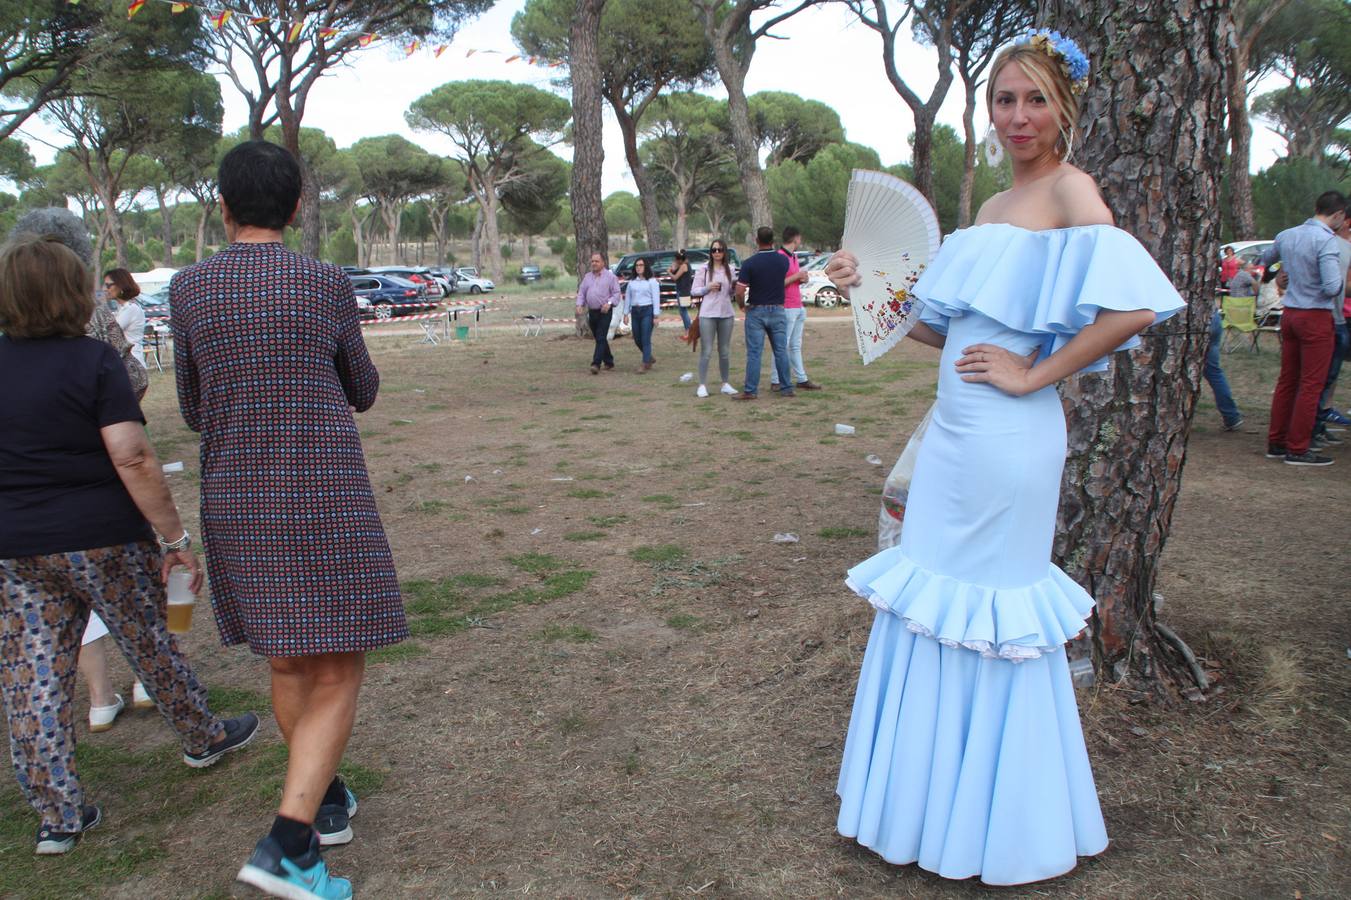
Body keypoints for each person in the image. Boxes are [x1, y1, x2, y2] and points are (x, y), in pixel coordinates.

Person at [825, 30, 1184, 885]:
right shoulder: (987, 209)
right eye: (1002, 99)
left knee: (988, 615)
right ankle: (919, 811)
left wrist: (1036, 375)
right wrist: (859, 287)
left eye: (1033, 99)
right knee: (932, 606)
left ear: (1064, 107)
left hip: (1008, 439)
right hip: (951, 436)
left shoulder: (1072, 191)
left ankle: (998, 825)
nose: (1017, 116)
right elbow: (940, 334)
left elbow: (1131, 307)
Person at [170, 140, 406, 900]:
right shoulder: (324, 281)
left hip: (236, 492)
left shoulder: (188, 289)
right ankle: (287, 845)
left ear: (224, 206)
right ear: (297, 206)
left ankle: (324, 800)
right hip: (322, 489)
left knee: (286, 660)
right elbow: (361, 388)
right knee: (336, 663)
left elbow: (191, 406)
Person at [0, 233, 260, 857]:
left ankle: (58, 815)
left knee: (30, 676)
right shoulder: (94, 362)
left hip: (15, 547)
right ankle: (201, 736)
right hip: (102, 537)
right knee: (150, 641)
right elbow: (134, 456)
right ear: (71, 294)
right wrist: (176, 538)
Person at [1260, 190, 1347, 466]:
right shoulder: (1327, 241)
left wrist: (1287, 274)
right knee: (1311, 384)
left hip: (1291, 312)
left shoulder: (1288, 235)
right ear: (1337, 215)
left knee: (1288, 379)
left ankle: (1277, 441)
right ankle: (1298, 448)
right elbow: (1333, 286)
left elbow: (1266, 258)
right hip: (1316, 315)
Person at [733, 226, 794, 399]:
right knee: (781, 351)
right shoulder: (783, 261)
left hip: (756, 310)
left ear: (757, 241)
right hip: (778, 309)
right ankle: (787, 387)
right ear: (773, 241)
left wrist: (741, 305)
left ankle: (751, 390)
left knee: (754, 353)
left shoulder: (750, 263)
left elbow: (739, 290)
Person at [770, 226, 822, 392]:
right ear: (796, 238)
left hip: (797, 305)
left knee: (795, 345)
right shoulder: (780, 257)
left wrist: (801, 279)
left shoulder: (793, 257)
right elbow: (776, 283)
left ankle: (801, 378)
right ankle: (775, 379)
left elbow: (790, 280)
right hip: (786, 306)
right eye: (799, 238)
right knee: (781, 345)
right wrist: (797, 276)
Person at [1314, 214, 1351, 431]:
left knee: (1329, 373)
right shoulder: (1334, 244)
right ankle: (1317, 422)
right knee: (1326, 373)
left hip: (1334, 315)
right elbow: (1339, 285)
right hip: (1336, 315)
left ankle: (1320, 418)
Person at [690, 240, 739, 398]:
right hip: (708, 313)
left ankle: (725, 383)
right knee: (707, 350)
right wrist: (707, 288)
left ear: (725, 252)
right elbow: (694, 291)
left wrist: (733, 289)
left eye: (720, 250)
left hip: (726, 313)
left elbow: (731, 293)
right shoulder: (703, 269)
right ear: (710, 252)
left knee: (724, 351)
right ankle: (702, 385)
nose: (717, 252)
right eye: (714, 250)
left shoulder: (730, 269)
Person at [576, 251, 621, 375]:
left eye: (597, 261)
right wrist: (580, 304)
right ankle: (609, 361)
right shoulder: (587, 277)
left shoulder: (610, 277)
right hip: (592, 312)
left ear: (603, 262)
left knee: (601, 337)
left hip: (605, 312)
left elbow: (617, 293)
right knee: (599, 338)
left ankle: (596, 364)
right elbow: (582, 292)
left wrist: (610, 303)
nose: (594, 263)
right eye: (592, 261)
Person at [623, 257, 661, 373]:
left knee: (645, 338)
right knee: (637, 338)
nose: (639, 267)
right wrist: (625, 313)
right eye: (637, 265)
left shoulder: (652, 282)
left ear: (646, 267)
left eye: (641, 265)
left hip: (647, 311)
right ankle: (648, 356)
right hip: (635, 311)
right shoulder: (631, 282)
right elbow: (628, 298)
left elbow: (656, 299)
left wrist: (656, 316)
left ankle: (645, 363)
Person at [105, 268, 146, 366]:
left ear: (120, 285)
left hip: (132, 364)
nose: (105, 289)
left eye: (108, 285)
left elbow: (109, 333)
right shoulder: (123, 309)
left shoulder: (130, 309)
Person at [670, 250, 694, 331]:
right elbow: (674, 269)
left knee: (683, 311)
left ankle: (689, 330)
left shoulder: (684, 266)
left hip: (684, 291)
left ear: (680, 259)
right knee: (682, 311)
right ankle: (689, 329)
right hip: (682, 290)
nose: (676, 261)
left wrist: (668, 272)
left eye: (677, 259)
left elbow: (675, 277)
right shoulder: (684, 265)